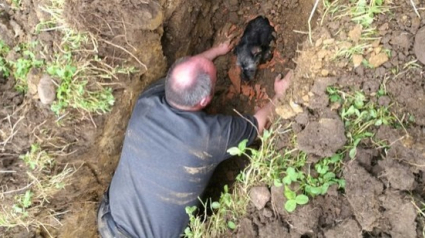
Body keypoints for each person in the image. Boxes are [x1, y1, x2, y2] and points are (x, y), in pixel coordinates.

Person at [97, 39, 293, 238]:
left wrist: (217, 50)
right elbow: (257, 126)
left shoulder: (146, 100)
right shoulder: (206, 136)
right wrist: (279, 95)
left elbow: (185, 71)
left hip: (108, 219)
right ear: (205, 101)